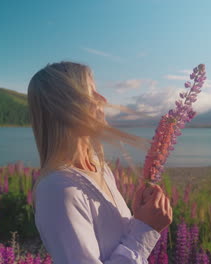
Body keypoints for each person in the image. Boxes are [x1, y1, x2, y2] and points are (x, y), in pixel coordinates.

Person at [28, 61, 173, 264]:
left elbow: (115, 244)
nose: (103, 99)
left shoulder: (99, 167)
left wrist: (140, 218)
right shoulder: (57, 189)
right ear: (66, 105)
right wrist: (145, 231)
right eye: (91, 92)